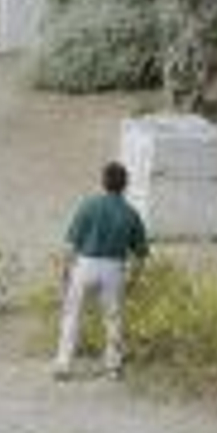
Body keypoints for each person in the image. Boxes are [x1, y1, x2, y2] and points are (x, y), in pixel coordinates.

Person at [53, 160, 149, 381]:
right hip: (114, 267)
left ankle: (63, 364)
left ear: (103, 182)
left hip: (86, 264)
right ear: (125, 184)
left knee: (72, 314)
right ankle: (113, 366)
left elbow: (71, 245)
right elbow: (141, 254)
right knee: (113, 318)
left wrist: (65, 271)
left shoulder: (88, 206)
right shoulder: (130, 213)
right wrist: (134, 278)